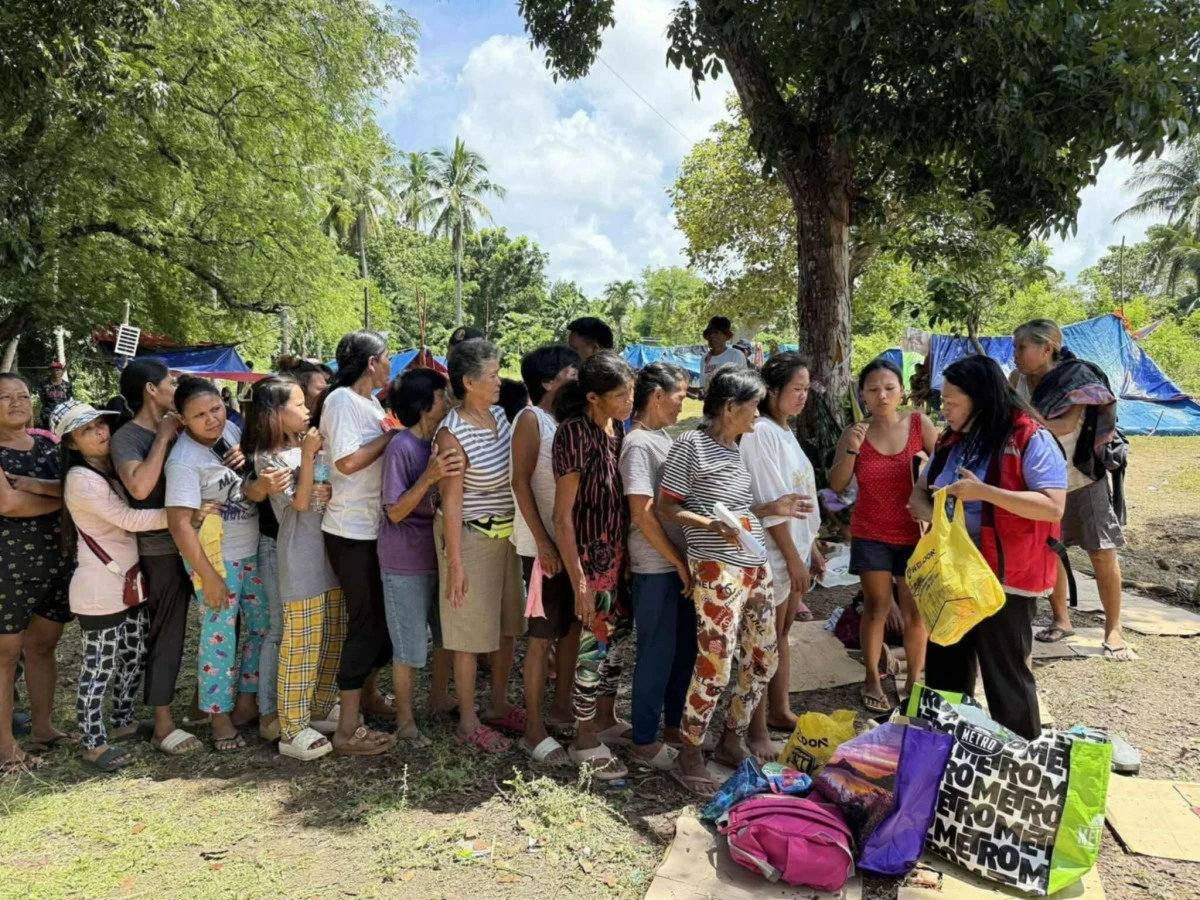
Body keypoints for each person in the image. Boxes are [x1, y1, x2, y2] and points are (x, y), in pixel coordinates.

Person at [910, 355, 1067, 739]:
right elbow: (918, 496)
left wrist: (984, 493)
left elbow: (1053, 505)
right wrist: (935, 511)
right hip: (954, 577)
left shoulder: (1030, 437)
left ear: (979, 399)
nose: (942, 408)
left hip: (1004, 580)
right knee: (945, 672)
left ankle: (1018, 763)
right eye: (941, 400)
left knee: (1005, 675)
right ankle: (943, 755)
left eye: (951, 401)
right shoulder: (952, 440)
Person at [658, 365, 777, 796]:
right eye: (753, 408)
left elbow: (740, 509)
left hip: (752, 562)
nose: (757, 417)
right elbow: (665, 507)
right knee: (716, 662)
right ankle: (689, 750)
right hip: (715, 566)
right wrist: (711, 524)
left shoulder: (734, 450)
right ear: (729, 408)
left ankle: (732, 737)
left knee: (764, 657)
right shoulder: (691, 444)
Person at [165, 376, 280, 751]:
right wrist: (208, 576)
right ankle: (218, 717)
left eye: (215, 408)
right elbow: (179, 524)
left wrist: (246, 461)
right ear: (181, 419)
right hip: (215, 560)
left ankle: (247, 700)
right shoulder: (183, 461)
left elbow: (249, 482)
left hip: (251, 551)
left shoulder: (231, 430)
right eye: (198, 416)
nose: (211, 419)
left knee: (263, 628)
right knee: (220, 639)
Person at [55, 401, 168, 772]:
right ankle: (92, 742)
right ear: (71, 443)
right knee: (99, 667)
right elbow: (126, 518)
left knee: (133, 654)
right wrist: (183, 513)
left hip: (127, 580)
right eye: (87, 430)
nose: (101, 432)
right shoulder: (82, 479)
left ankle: (122, 721)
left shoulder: (106, 471)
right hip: (100, 586)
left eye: (101, 425)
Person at [1012, 319, 1131, 660]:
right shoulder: (1018, 380)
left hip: (1081, 477)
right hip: (1042, 481)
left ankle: (1114, 628)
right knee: (1051, 550)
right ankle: (1061, 619)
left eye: (1022, 347)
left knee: (1101, 550)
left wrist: (1020, 413)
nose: (1016, 354)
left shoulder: (1075, 378)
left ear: (1046, 348)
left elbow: (1061, 426)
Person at [242, 376, 344, 761]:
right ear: (274, 414)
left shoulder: (304, 446)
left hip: (325, 546)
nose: (307, 411)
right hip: (297, 551)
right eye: (299, 405)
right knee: (299, 640)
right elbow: (298, 505)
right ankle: (292, 725)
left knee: (331, 629)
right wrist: (307, 457)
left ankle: (319, 705)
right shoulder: (268, 457)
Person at [828, 358, 936, 713]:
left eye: (889, 388)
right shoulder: (854, 432)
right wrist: (852, 451)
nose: (882, 396)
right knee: (875, 607)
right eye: (873, 390)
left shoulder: (921, 425)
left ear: (901, 390)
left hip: (915, 534)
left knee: (914, 611)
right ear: (862, 395)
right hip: (871, 532)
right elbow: (837, 486)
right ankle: (872, 677)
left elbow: (943, 469)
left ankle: (914, 680)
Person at [434, 339, 527, 753]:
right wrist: (455, 564)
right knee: (468, 635)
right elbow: (451, 504)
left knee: (507, 626)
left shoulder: (501, 416)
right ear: (468, 382)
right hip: (470, 539)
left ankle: (497, 705)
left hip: (507, 538)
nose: (499, 381)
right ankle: (468, 720)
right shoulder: (452, 435)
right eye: (492, 375)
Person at [109, 359, 202, 756]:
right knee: (167, 632)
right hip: (161, 550)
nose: (174, 386)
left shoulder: (183, 427)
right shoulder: (127, 438)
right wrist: (163, 439)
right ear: (151, 390)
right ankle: (163, 724)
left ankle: (207, 704)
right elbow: (141, 486)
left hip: (203, 543)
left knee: (223, 622)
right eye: (169, 381)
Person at [310, 331, 397, 755]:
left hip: (373, 527)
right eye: (387, 358)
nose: (390, 366)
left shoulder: (371, 402)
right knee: (365, 623)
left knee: (380, 622)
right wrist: (393, 436)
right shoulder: (342, 400)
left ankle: (368, 696)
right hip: (350, 531)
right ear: (370, 363)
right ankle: (346, 730)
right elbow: (346, 462)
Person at [552, 351, 636, 779]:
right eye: (620, 395)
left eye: (631, 391)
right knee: (593, 646)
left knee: (617, 641)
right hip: (591, 560)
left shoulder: (616, 428)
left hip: (619, 557)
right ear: (592, 397)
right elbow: (562, 516)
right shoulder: (573, 434)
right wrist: (580, 582)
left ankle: (605, 716)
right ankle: (583, 736)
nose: (629, 401)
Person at [740, 352, 825, 741]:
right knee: (763, 642)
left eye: (807, 389)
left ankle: (780, 710)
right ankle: (754, 728)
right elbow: (772, 504)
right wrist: (794, 558)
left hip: (795, 549)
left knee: (781, 634)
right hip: (774, 553)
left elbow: (800, 495)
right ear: (772, 390)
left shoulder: (784, 430)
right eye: (796, 389)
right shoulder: (760, 433)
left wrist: (813, 549)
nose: (803, 396)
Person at [620, 362, 695, 771]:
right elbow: (642, 513)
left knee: (682, 650)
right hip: (657, 566)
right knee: (656, 653)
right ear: (657, 396)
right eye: (680, 397)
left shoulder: (662, 438)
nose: (683, 407)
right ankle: (644, 739)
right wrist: (676, 560)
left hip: (675, 565)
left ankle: (672, 726)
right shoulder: (639, 445)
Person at [379, 369, 461, 746]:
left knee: (446, 637)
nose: (448, 400)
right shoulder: (402, 447)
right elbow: (394, 511)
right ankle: (406, 720)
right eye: (442, 395)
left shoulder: (441, 441)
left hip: (439, 556)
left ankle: (440, 699)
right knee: (410, 646)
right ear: (425, 405)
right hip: (405, 560)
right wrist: (428, 479)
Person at [511, 344, 582, 766]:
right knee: (541, 637)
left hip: (570, 546)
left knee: (571, 630)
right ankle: (533, 726)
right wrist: (542, 541)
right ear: (546, 381)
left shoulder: (569, 420)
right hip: (542, 550)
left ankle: (562, 706)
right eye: (571, 372)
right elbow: (521, 484)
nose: (579, 378)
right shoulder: (531, 419)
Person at [0, 373, 72, 771]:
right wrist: (62, 502)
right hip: (7, 567)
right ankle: (5, 745)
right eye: (5, 397)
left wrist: (42, 492)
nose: (16, 402)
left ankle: (43, 726)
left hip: (53, 563)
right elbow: (8, 505)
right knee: (5, 655)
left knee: (44, 645)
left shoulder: (48, 445)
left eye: (22, 395)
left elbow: (75, 486)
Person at [700, 317, 747, 395]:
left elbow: (742, 384)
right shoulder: (704, 358)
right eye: (709, 333)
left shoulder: (736, 355)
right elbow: (703, 386)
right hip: (710, 405)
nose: (712, 336)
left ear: (726, 336)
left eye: (716, 332)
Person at [37, 362, 74, 430]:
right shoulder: (44, 385)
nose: (55, 372)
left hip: (62, 415)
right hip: (47, 414)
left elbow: (68, 400)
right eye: (53, 370)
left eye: (58, 370)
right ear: (50, 371)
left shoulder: (67, 385)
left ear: (61, 371)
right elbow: (43, 400)